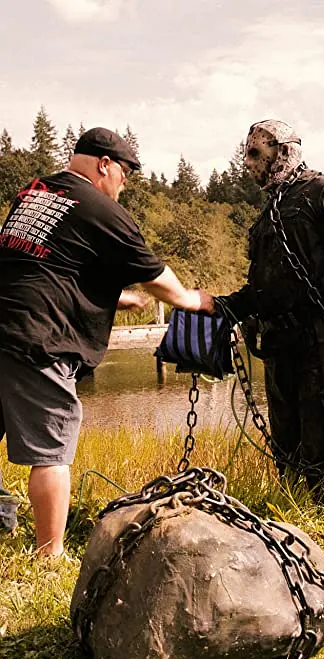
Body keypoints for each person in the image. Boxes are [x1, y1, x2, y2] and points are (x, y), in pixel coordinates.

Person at [0, 127, 214, 555]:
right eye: (126, 172)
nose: (125, 183)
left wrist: (116, 298)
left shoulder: (34, 194)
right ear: (104, 164)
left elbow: (47, 270)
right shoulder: (98, 207)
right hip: (37, 340)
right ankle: (49, 555)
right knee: (51, 451)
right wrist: (192, 301)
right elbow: (156, 275)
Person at [216, 119, 324, 509]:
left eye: (256, 153)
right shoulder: (266, 214)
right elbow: (261, 291)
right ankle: (297, 531)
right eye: (246, 154)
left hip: (318, 343)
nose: (248, 163)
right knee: (286, 451)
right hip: (277, 346)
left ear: (284, 151)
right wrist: (219, 307)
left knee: (323, 452)